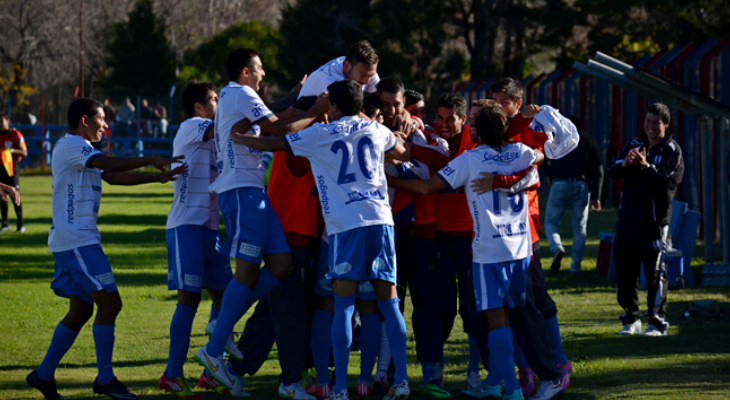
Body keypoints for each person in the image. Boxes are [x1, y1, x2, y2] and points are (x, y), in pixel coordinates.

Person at [229, 79, 411, 400]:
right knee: (390, 302)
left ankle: (340, 387)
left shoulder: (321, 134)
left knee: (341, 306)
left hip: (346, 227)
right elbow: (400, 150)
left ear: (334, 106)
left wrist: (240, 138)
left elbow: (280, 143)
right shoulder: (375, 130)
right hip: (382, 221)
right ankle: (403, 382)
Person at [26, 98, 186, 400]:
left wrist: (157, 177)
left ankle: (43, 375)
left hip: (75, 240)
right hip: (77, 242)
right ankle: (104, 379)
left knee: (82, 308)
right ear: (85, 120)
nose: (106, 125)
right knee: (110, 304)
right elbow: (107, 164)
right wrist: (149, 158)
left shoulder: (81, 149)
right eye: (102, 118)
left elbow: (111, 176)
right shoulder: (73, 145)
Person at [389, 100, 544, 400]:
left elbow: (425, 187)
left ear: (473, 128)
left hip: (485, 248)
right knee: (512, 316)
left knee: (493, 317)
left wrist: (386, 178)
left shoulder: (470, 159)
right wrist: (512, 178)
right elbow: (541, 158)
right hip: (519, 248)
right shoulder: (522, 153)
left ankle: (508, 387)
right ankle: (504, 380)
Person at [195, 48, 327, 395]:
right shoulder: (240, 93)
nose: (263, 73)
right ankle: (212, 350)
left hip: (255, 192)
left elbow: (275, 110)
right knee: (247, 272)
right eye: (259, 68)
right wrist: (315, 110)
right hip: (241, 191)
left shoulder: (236, 94)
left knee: (282, 265)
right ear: (245, 72)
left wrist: (297, 97)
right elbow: (279, 127)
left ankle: (221, 329)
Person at [487, 78, 575, 400]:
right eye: (494, 102)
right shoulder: (494, 129)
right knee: (508, 305)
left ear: (517, 103)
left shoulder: (529, 129)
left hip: (527, 228)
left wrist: (525, 121)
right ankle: (523, 370)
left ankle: (558, 365)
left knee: (536, 300)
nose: (497, 108)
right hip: (497, 232)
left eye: (503, 103)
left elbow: (537, 159)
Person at [157, 81, 235, 399]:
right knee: (189, 298)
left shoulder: (216, 132)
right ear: (199, 108)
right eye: (215, 100)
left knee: (227, 298)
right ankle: (172, 375)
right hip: (186, 226)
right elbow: (224, 127)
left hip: (210, 229)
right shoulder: (193, 126)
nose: (219, 104)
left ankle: (211, 372)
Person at [608, 102, 684, 337]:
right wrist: (627, 164)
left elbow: (667, 183)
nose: (651, 127)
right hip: (629, 219)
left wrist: (646, 167)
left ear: (666, 124)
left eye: (656, 123)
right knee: (624, 271)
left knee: (655, 273)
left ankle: (657, 321)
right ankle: (631, 318)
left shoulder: (672, 150)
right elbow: (613, 169)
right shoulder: (634, 144)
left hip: (654, 222)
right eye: (648, 121)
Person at [543, 116, 604, 274]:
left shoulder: (558, 140)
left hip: (560, 183)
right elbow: (598, 169)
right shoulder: (589, 141)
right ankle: (575, 266)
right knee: (580, 227)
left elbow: (543, 158)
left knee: (551, 222)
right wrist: (596, 196)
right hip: (581, 184)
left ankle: (557, 248)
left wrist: (550, 173)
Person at [298, 40, 380, 98]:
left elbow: (382, 95)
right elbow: (353, 114)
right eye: (362, 75)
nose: (367, 81)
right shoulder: (331, 83)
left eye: (371, 76)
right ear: (347, 66)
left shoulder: (363, 69)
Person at [0, 114, 27, 233]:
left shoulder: (16, 134)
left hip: (12, 168)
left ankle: (21, 224)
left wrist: (10, 151)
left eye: (1, 122)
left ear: (7, 121)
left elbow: (24, 152)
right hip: (0, 168)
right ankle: (5, 224)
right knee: (2, 196)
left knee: (14, 194)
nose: (0, 125)